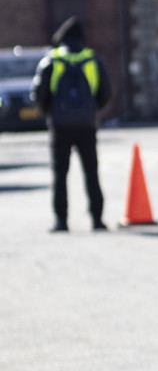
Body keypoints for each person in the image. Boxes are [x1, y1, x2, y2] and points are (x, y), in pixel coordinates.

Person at [33, 16, 112, 232]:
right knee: (91, 172)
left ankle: (61, 220)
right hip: (87, 124)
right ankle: (97, 219)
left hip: (60, 125)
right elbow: (106, 92)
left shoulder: (53, 59)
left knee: (60, 174)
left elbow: (39, 93)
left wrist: (50, 112)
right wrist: (93, 111)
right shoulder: (92, 59)